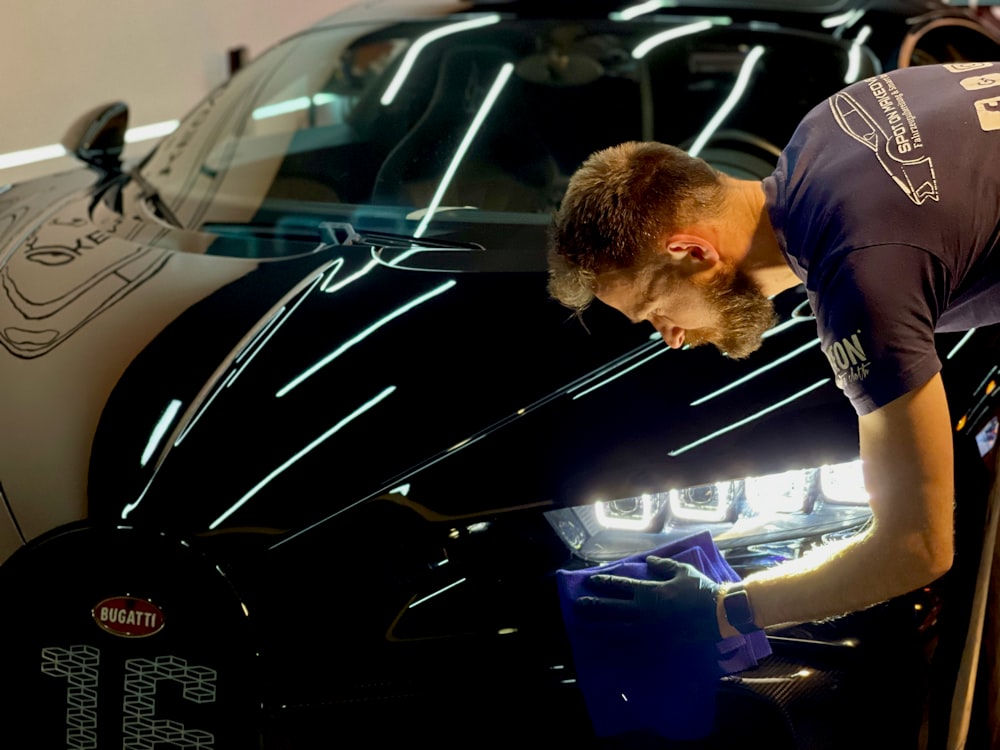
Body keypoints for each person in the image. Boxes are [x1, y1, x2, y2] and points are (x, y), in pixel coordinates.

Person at [547, 61, 1000, 642]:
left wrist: (723, 608)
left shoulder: (860, 273)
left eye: (656, 309)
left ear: (691, 252)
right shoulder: (827, 128)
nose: (671, 336)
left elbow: (916, 548)